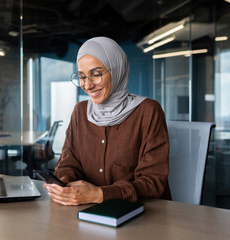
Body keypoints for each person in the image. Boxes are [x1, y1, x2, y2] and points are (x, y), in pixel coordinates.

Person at [44, 37, 171, 206]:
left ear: (116, 71)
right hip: (86, 211)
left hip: (143, 213)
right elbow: (68, 164)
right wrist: (64, 185)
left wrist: (100, 194)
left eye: (96, 75)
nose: (87, 85)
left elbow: (153, 182)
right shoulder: (80, 112)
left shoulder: (148, 111)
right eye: (81, 76)